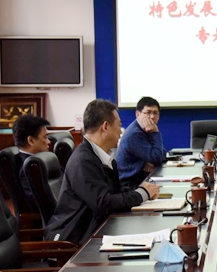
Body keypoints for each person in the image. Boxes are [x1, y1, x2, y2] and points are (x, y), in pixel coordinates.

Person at [46, 99, 161, 244]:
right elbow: (103, 203)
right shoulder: (83, 161)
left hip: (97, 228)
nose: (120, 131)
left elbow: (115, 191)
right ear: (105, 127)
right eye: (119, 125)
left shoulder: (102, 156)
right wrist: (142, 194)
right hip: (76, 238)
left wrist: (141, 189)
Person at [116, 96, 167, 189]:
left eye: (155, 113)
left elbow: (162, 153)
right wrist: (155, 133)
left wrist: (151, 161)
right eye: (148, 112)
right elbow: (157, 157)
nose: (152, 116)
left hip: (141, 178)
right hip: (130, 185)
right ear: (137, 114)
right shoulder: (135, 134)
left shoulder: (146, 129)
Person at [12, 113, 51, 207]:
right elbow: (40, 203)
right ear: (31, 141)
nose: (49, 142)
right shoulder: (28, 168)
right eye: (45, 137)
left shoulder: (35, 161)